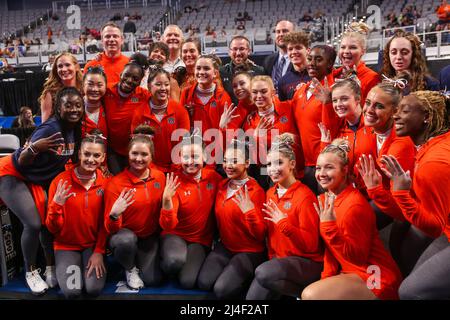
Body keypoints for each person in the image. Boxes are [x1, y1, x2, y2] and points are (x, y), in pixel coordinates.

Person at [0, 87, 84, 294]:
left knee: (48, 223)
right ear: (58, 107)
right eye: (68, 105)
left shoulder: (74, 127)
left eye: (78, 105)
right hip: (14, 174)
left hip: (38, 179)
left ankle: (50, 267)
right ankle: (30, 271)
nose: (74, 109)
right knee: (33, 223)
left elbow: (72, 157)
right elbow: (22, 159)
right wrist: (35, 148)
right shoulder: (49, 129)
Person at [301, 139, 402, 300]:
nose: (321, 174)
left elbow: (358, 257)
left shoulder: (354, 205)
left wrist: (328, 227)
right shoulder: (325, 199)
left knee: (310, 295)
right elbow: (330, 249)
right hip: (349, 272)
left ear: (345, 170)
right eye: (318, 168)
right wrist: (327, 277)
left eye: (329, 167)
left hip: (375, 276)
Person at [382, 91, 450, 300]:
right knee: (407, 264)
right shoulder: (435, 144)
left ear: (427, 117)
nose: (395, 116)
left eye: (405, 110)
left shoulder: (434, 161)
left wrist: (401, 192)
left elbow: (432, 227)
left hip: (444, 230)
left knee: (411, 291)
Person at [246, 134, 323, 300]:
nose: (273, 169)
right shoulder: (269, 194)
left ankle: (304, 294)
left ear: (292, 164)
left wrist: (284, 224)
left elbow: (311, 245)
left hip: (306, 261)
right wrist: (250, 215)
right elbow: (263, 235)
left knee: (263, 273)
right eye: (269, 164)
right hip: (278, 262)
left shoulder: (305, 197)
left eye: (279, 163)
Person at [197, 140, 267, 299]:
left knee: (221, 290)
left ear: (247, 163)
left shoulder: (256, 192)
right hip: (227, 246)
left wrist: (249, 213)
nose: (228, 165)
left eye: (235, 161)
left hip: (250, 251)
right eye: (226, 160)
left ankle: (250, 279)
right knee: (204, 282)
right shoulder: (221, 185)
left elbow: (261, 235)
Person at [46, 134, 108, 299]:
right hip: (66, 246)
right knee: (72, 292)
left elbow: (105, 223)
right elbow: (52, 228)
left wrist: (99, 251)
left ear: (103, 157)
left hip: (93, 246)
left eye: (96, 155)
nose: (90, 159)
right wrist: (56, 205)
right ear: (79, 154)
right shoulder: (60, 182)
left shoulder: (107, 183)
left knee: (93, 289)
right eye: (87, 154)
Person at [104, 125, 165, 289]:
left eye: (144, 154)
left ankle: (139, 259)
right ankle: (129, 268)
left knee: (153, 280)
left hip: (148, 236)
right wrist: (115, 215)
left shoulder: (160, 177)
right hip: (124, 235)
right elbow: (108, 228)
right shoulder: (116, 184)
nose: (139, 158)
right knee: (126, 241)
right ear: (127, 155)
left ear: (152, 157)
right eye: (134, 153)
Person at [159, 134, 222, 289]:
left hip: (199, 240)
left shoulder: (214, 178)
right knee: (174, 262)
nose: (190, 162)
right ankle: (161, 259)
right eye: (185, 157)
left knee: (187, 282)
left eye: (195, 157)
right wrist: (166, 201)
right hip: (175, 235)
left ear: (204, 157)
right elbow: (168, 225)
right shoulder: (174, 181)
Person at [243, 75, 303, 190]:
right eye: (254, 92)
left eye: (264, 91)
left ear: (273, 92)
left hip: (297, 173)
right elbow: (257, 162)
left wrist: (292, 138)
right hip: (269, 177)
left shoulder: (289, 107)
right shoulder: (250, 122)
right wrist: (256, 138)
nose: (259, 96)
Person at [292, 45, 337, 195]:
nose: (311, 63)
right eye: (310, 58)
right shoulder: (301, 90)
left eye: (318, 60)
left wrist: (329, 103)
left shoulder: (336, 91)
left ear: (329, 64)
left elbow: (335, 129)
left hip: (324, 164)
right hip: (304, 164)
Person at [319, 78, 377, 194]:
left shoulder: (374, 127)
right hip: (350, 193)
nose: (338, 104)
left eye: (344, 99)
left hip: (373, 193)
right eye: (335, 100)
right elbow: (326, 164)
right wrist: (325, 145)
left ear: (358, 99)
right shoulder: (339, 130)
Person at [131, 67, 190, 173]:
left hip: (177, 168)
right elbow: (138, 147)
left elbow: (183, 145)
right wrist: (152, 170)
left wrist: (175, 170)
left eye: (166, 84)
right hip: (148, 169)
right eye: (158, 84)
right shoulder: (139, 113)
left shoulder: (180, 111)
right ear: (149, 86)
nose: (163, 88)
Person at [103, 59, 150, 175]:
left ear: (140, 82)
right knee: (118, 180)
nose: (129, 80)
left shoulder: (144, 95)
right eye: (127, 75)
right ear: (121, 74)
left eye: (135, 79)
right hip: (113, 150)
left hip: (135, 150)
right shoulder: (106, 90)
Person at [180, 54, 232, 136]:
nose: (201, 72)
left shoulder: (223, 97)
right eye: (198, 68)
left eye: (206, 68)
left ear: (215, 73)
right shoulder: (186, 93)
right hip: (192, 146)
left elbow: (228, 129)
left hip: (216, 145)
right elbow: (181, 124)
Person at [334, 22, 380, 104]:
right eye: (343, 47)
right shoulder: (333, 75)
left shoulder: (372, 78)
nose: (346, 51)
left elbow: (369, 112)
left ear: (363, 51)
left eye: (353, 47)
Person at [219, 36, 265, 105]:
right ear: (229, 52)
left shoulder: (259, 71)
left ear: (249, 51)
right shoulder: (221, 72)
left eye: (242, 49)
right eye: (234, 49)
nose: (238, 53)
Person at [39, 52, 83, 123]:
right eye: (60, 66)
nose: (64, 69)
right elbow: (45, 125)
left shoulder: (84, 89)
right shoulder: (49, 93)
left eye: (67, 65)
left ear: (76, 67)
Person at [83, 22, 130, 88]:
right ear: (102, 40)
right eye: (107, 36)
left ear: (122, 40)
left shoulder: (130, 65)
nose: (111, 39)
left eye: (115, 36)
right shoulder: (91, 66)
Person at [277, 31, 311, 101]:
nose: (294, 52)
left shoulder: (318, 74)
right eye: (290, 49)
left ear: (308, 50)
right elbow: (284, 109)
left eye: (298, 48)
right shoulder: (283, 81)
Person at [263, 20, 295, 91]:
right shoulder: (268, 60)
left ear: (294, 34)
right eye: (278, 32)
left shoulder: (299, 60)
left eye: (285, 31)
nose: (281, 34)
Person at [82, 66, 108, 139]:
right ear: (83, 85)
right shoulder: (74, 108)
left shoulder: (109, 105)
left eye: (99, 85)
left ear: (106, 87)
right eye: (90, 84)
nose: (94, 89)